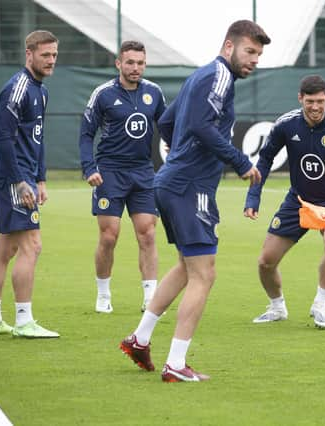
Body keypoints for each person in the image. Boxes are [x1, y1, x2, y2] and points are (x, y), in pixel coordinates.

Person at [119, 20, 270, 382]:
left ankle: (139, 339)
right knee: (205, 274)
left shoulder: (200, 76)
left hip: (173, 182)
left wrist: (180, 156)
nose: (254, 60)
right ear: (229, 46)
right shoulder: (219, 76)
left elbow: (168, 123)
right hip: (190, 187)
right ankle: (176, 364)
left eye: (259, 55)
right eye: (250, 51)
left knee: (188, 267)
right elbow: (202, 126)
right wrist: (239, 161)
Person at [246, 75, 325, 330]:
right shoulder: (286, 124)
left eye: (320, 101)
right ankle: (277, 307)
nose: (315, 107)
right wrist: (253, 197)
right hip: (299, 200)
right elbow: (265, 159)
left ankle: (320, 304)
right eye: (309, 102)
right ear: (300, 99)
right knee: (265, 262)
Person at [0, 30, 60, 338]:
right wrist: (20, 182)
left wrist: (40, 178)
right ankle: (24, 321)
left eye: (54, 55)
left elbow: (37, 139)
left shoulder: (41, 91)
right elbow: (4, 138)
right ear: (29, 54)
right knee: (32, 245)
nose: (51, 60)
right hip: (13, 177)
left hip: (26, 176)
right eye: (45, 55)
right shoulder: (17, 88)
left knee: (7, 247)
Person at [79, 41, 166, 313]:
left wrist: (176, 161)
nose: (135, 68)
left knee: (148, 234)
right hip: (110, 172)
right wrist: (89, 167)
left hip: (143, 172)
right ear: (119, 63)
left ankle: (150, 297)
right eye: (130, 62)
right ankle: (103, 295)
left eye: (140, 63)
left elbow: (168, 129)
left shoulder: (154, 92)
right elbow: (86, 134)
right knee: (109, 237)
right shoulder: (103, 94)